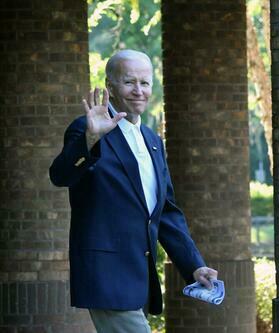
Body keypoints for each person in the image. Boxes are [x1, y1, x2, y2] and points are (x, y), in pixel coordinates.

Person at [49, 49, 217, 332]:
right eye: (129, 82)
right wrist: (90, 139)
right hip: (105, 274)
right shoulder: (87, 129)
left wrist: (193, 267)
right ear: (110, 85)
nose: (139, 90)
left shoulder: (152, 140)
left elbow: (165, 214)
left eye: (145, 83)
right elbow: (60, 175)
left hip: (140, 277)